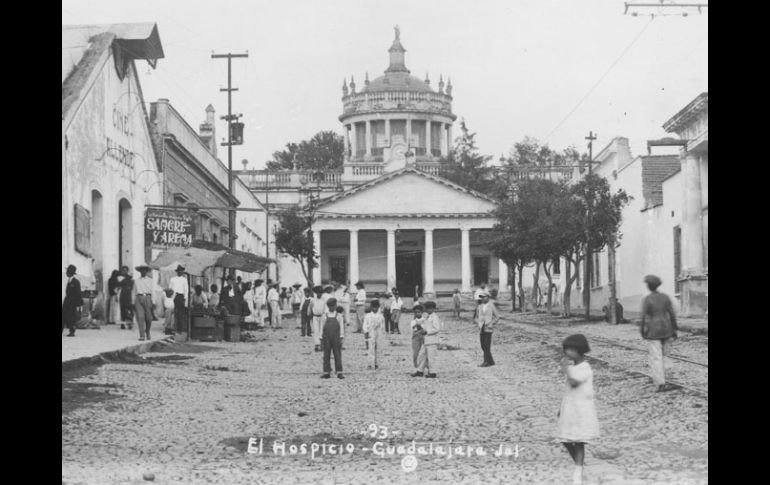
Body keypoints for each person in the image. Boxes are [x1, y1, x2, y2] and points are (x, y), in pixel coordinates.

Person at [557, 334, 600, 485]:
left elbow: (574, 383)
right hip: (570, 407)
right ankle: (579, 465)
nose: (566, 353)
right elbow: (568, 388)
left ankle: (578, 469)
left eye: (569, 350)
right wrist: (561, 408)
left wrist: (565, 370)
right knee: (565, 439)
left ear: (579, 350)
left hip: (581, 409)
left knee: (578, 440)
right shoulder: (573, 366)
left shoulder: (585, 367)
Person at [640, 275, 678, 392]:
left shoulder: (647, 299)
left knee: (656, 357)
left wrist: (642, 330)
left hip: (653, 330)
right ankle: (669, 379)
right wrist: (675, 328)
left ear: (649, 286)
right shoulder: (665, 297)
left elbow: (643, 316)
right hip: (667, 328)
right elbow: (672, 314)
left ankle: (660, 383)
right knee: (666, 355)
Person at [320, 297, 344, 379]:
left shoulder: (339, 316)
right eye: (330, 306)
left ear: (336, 306)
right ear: (328, 306)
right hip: (326, 338)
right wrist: (320, 338)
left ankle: (339, 372)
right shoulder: (324, 316)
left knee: (337, 354)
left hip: (336, 338)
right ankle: (326, 372)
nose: (332, 308)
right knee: (326, 354)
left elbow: (341, 327)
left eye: (333, 306)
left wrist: (341, 337)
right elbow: (321, 327)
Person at [416, 301, 441, 378]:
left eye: (427, 309)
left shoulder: (435, 317)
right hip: (426, 339)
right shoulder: (427, 316)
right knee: (421, 355)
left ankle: (432, 372)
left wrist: (427, 331)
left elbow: (437, 328)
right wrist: (421, 328)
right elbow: (424, 324)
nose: (426, 310)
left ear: (432, 309)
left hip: (432, 340)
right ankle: (419, 371)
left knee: (431, 357)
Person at [476, 290, 498, 367]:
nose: (482, 299)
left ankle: (486, 362)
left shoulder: (491, 306)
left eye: (484, 297)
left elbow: (497, 317)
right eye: (481, 297)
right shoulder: (480, 306)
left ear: (488, 297)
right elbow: (477, 317)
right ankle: (491, 361)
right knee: (482, 345)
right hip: (481, 328)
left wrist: (491, 323)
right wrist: (478, 323)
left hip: (488, 328)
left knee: (486, 345)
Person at [134, 265, 155, 341]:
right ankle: (142, 335)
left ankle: (148, 331)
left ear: (147, 271)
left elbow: (153, 291)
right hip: (138, 298)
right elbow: (134, 291)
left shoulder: (150, 280)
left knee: (149, 318)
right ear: (140, 271)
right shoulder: (136, 280)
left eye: (145, 270)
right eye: (142, 270)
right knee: (140, 317)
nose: (143, 272)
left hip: (148, 297)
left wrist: (154, 301)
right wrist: (133, 301)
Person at [363, 300, 386, 370]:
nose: (374, 309)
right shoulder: (368, 316)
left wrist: (383, 333)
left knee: (378, 348)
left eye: (376, 307)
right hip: (371, 333)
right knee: (371, 348)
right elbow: (365, 325)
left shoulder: (381, 316)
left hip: (379, 333)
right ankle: (370, 363)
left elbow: (383, 326)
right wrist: (366, 332)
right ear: (371, 307)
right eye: (373, 307)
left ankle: (377, 363)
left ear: (378, 307)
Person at [62, 265, 83, 337]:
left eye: (67, 271)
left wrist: (79, 305)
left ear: (70, 272)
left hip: (72, 302)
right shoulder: (69, 281)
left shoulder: (76, 282)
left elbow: (78, 293)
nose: (66, 273)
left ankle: (72, 331)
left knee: (71, 317)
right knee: (63, 315)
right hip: (67, 301)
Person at [169, 265, 188, 332]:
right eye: (179, 271)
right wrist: (170, 297)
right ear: (177, 272)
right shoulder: (172, 279)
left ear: (183, 272)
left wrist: (185, 299)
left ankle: (179, 329)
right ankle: (172, 328)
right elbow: (170, 289)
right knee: (173, 312)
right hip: (174, 296)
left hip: (180, 296)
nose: (180, 272)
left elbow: (186, 290)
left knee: (180, 313)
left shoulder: (184, 280)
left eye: (181, 271)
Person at [409, 304, 426, 377]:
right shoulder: (413, 321)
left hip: (423, 337)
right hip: (415, 338)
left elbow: (425, 328)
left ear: (422, 312)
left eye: (419, 312)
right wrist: (418, 326)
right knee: (415, 353)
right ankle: (417, 366)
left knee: (423, 353)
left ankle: (421, 369)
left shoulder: (425, 320)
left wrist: (420, 326)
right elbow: (414, 328)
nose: (417, 314)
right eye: (415, 312)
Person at [309, 286, 326, 351]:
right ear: (316, 293)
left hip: (322, 316)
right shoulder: (313, 300)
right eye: (318, 293)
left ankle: (322, 345)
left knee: (322, 330)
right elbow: (310, 308)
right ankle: (317, 344)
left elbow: (325, 308)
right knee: (316, 331)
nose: (319, 294)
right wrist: (309, 314)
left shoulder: (324, 299)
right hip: (315, 317)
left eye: (321, 293)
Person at [119, 266, 135, 330]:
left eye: (125, 270)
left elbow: (131, 286)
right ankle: (122, 324)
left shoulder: (130, 278)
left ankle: (129, 324)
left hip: (128, 295)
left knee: (129, 310)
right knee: (122, 309)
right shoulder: (119, 278)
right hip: (122, 294)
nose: (124, 271)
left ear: (127, 271)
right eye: (123, 270)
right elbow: (118, 286)